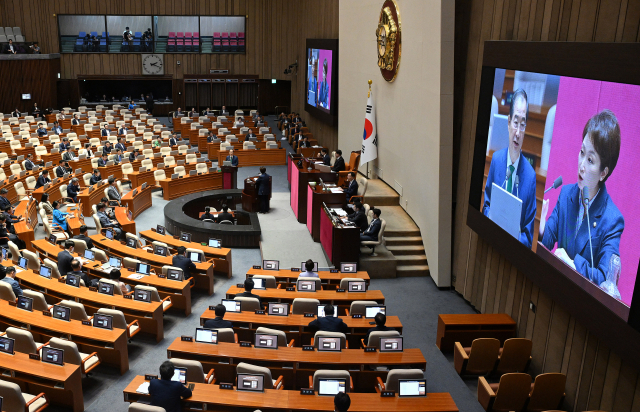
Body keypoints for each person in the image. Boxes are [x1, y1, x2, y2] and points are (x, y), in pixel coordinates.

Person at [540, 110, 624, 286]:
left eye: (590, 160)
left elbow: (605, 278)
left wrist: (572, 265)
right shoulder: (566, 195)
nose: (581, 165)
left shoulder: (612, 220)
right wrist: (540, 229)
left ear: (603, 173)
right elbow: (546, 242)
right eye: (582, 152)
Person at [483, 88, 537, 248]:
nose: (518, 133)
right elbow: (486, 205)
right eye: (515, 123)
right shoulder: (497, 160)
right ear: (508, 123)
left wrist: (509, 240)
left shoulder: (530, 177)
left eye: (523, 124)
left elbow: (528, 235)